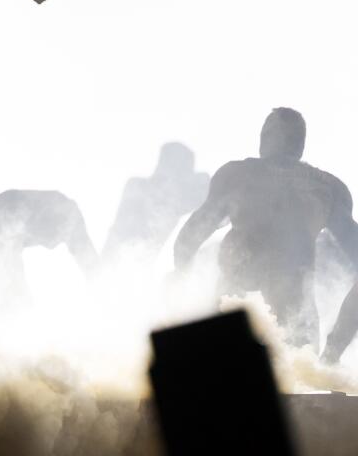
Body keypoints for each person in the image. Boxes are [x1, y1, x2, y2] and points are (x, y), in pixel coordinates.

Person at [174, 108, 358, 348]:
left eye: (266, 132)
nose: (262, 138)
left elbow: (189, 237)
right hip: (269, 311)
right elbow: (190, 237)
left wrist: (179, 275)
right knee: (298, 373)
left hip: (257, 311)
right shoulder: (329, 189)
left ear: (271, 137)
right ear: (300, 145)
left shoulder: (239, 174)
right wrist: (334, 350)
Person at [101, 143, 209, 266]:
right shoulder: (137, 187)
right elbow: (118, 233)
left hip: (141, 262)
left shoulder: (179, 199)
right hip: (118, 256)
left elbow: (204, 185)